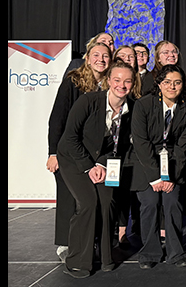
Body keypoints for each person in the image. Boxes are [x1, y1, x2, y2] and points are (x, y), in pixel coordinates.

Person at [56, 60, 135, 278]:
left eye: (127, 81)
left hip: (104, 161)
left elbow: (122, 145)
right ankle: (78, 260)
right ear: (108, 81)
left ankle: (106, 255)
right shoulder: (88, 101)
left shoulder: (132, 109)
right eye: (117, 80)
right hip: (74, 158)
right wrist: (89, 166)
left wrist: (101, 164)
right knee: (89, 202)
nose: (122, 85)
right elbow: (70, 137)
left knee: (108, 201)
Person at [46, 42, 111, 262]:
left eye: (105, 56)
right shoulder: (73, 81)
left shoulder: (111, 84)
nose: (100, 59)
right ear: (87, 57)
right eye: (96, 55)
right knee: (68, 197)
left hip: (97, 151)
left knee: (93, 199)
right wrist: (53, 152)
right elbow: (57, 118)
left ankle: (90, 241)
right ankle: (66, 243)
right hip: (69, 150)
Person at [131, 64, 186, 269]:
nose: (172, 86)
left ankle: (176, 252)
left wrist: (170, 177)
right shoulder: (143, 105)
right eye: (167, 82)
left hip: (173, 164)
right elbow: (141, 143)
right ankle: (149, 252)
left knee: (172, 202)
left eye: (177, 82)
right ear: (159, 84)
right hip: (145, 163)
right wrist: (155, 177)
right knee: (150, 203)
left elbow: (183, 146)